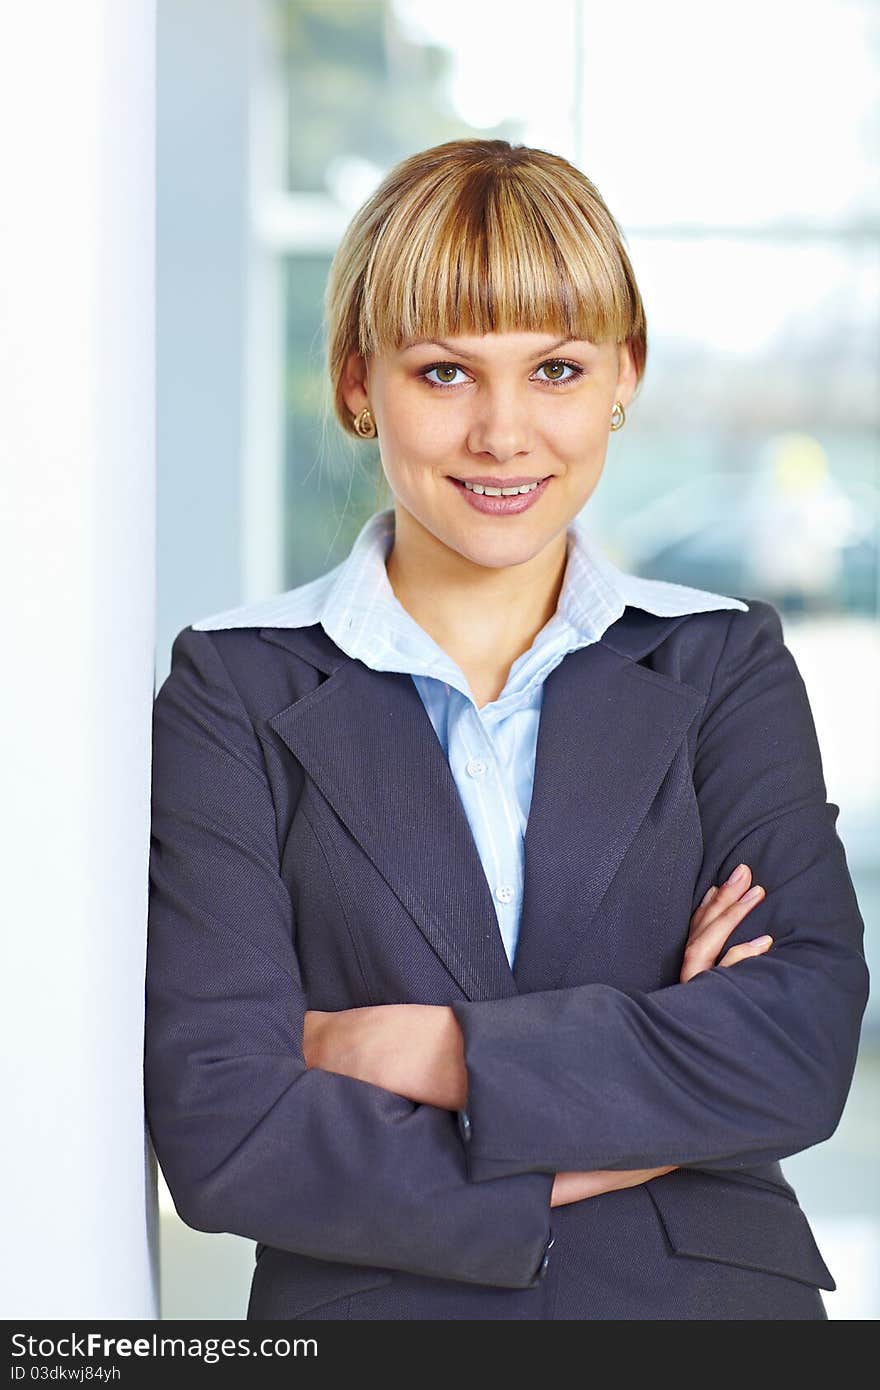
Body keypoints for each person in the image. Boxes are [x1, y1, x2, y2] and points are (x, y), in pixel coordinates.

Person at [144, 138, 869, 1321]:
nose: (502, 433)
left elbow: (793, 1046)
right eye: (442, 373)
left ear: (625, 375)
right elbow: (223, 1125)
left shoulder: (720, 659)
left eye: (556, 370)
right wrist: (646, 1101)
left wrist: (425, 1051)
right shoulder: (237, 687)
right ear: (354, 382)